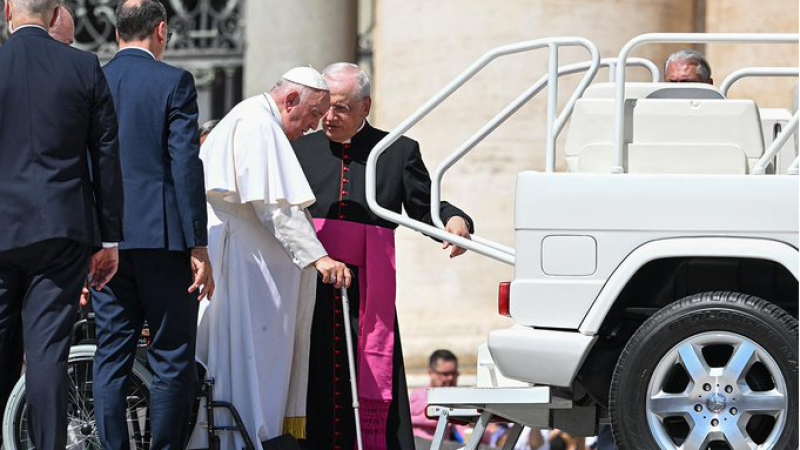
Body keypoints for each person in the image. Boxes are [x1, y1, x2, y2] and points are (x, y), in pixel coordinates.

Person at [293, 62, 474, 450]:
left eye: (341, 107)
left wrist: (454, 218)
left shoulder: (396, 152)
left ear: (366, 106)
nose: (329, 116)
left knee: (372, 377)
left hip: (367, 294)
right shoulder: (298, 150)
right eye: (324, 105)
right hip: (309, 289)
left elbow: (425, 206)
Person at [188, 67, 351, 450]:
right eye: (312, 114)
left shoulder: (251, 118)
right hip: (242, 264)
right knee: (244, 361)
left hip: (245, 259)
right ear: (291, 100)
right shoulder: (258, 125)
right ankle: (242, 439)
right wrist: (317, 258)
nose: (314, 126)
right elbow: (276, 207)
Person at [0, 0, 123, 448]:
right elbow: (106, 157)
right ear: (55, 15)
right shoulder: (84, 67)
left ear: (8, 9)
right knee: (47, 351)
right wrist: (108, 238)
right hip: (62, 228)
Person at [91, 2, 213, 450]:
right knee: (171, 357)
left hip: (105, 243)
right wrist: (197, 243)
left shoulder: (92, 79)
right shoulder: (173, 81)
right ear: (161, 30)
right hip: (163, 240)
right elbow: (185, 163)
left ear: (117, 30)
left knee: (111, 358)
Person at [410, 350, 464, 446]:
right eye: (445, 374)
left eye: (454, 373)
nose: (450, 378)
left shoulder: (455, 399)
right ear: (431, 373)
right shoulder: (419, 396)